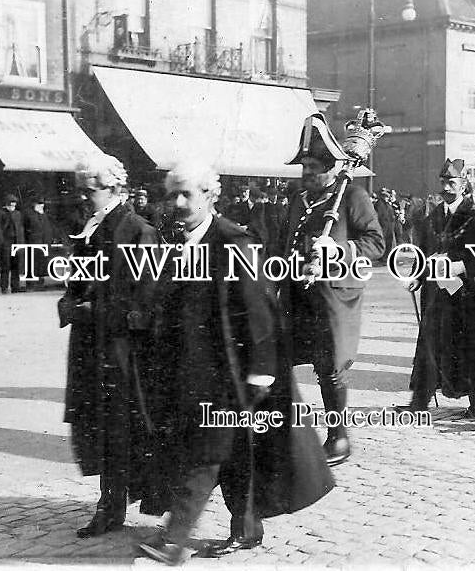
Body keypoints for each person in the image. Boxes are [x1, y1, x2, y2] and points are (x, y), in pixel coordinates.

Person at [137, 163, 334, 565]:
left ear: (210, 196)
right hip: (188, 370)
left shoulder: (234, 242)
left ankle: (173, 542)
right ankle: (246, 530)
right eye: (171, 194)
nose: (176, 203)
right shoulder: (171, 241)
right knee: (232, 453)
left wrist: (260, 371)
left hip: (227, 373)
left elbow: (259, 311)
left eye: (186, 195)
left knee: (205, 455)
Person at [58, 153, 161, 538]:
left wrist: (90, 309)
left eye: (91, 190)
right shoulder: (90, 226)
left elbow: (145, 302)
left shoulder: (138, 231)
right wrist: (68, 300)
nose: (84, 197)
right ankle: (111, 500)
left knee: (119, 428)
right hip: (91, 345)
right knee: (97, 426)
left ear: (115, 188)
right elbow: (80, 279)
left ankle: (113, 505)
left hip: (121, 351)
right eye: (82, 190)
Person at [280, 114, 384, 465]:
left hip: (334, 294)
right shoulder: (298, 200)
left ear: (331, 168)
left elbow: (376, 243)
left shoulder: (352, 196)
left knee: (330, 367)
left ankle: (339, 437)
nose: (306, 173)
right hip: (297, 292)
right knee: (281, 358)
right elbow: (285, 242)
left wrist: (338, 250)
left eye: (313, 167)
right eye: (304, 166)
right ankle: (287, 433)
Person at [402, 159, 475, 416]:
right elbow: (423, 253)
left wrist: (462, 266)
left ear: (464, 185)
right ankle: (419, 400)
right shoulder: (432, 217)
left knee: (469, 345)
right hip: (435, 293)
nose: (446, 187)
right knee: (428, 343)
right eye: (443, 182)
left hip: (465, 294)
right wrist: (418, 277)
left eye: (452, 182)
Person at [23, 195, 57, 289]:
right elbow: (26, 228)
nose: (41, 205)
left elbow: (48, 228)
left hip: (44, 243)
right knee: (32, 264)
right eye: (39, 203)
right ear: (34, 204)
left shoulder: (44, 215)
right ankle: (31, 284)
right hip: (33, 243)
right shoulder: (29, 215)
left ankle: (40, 283)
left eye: (42, 204)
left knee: (41, 264)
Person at [0, 194, 25, 294]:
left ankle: (15, 286)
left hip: (16, 242)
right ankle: (4, 286)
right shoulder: (1, 213)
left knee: (16, 265)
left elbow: (20, 228)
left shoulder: (18, 214)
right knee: (6, 265)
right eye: (11, 205)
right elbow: (0, 228)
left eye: (14, 205)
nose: (12, 207)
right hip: (6, 242)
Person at [374, 187, 396, 263]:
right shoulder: (379, 204)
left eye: (387, 196)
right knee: (384, 241)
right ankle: (383, 257)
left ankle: (386, 256)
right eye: (385, 196)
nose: (386, 197)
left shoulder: (387, 204)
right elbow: (379, 215)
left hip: (389, 226)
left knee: (389, 242)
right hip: (383, 226)